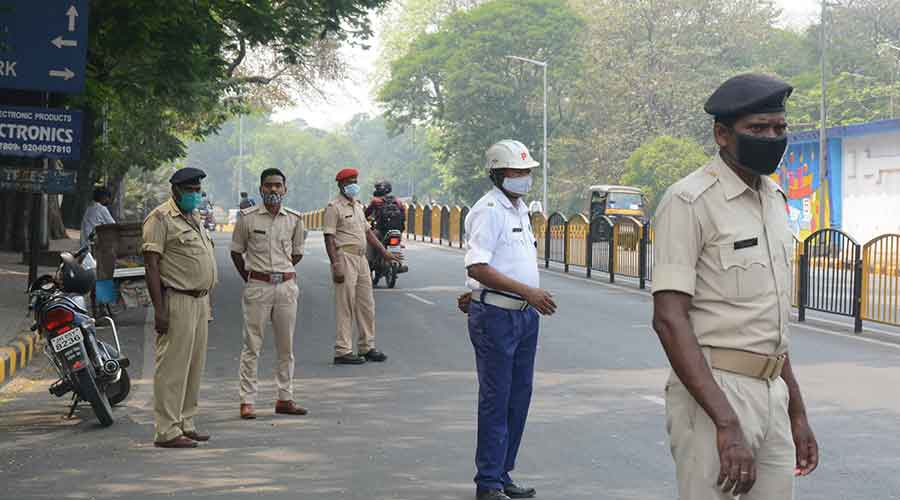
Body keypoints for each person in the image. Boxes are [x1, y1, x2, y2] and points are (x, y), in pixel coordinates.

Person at [652, 73, 818, 499]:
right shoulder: (689, 201)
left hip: (772, 390)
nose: (772, 137)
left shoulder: (775, 200)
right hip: (715, 390)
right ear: (722, 135)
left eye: (779, 128)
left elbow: (770, 318)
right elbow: (669, 319)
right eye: (757, 128)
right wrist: (725, 423)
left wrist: (796, 410)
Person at [462, 140, 557, 500]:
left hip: (522, 316)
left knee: (519, 397)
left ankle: (502, 474)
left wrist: (475, 290)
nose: (524, 178)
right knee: (496, 398)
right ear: (498, 174)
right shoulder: (488, 210)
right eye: (517, 172)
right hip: (498, 316)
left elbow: (500, 262)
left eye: (527, 172)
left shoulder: (519, 210)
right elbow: (477, 264)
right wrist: (525, 292)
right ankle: (487, 482)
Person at [142, 167, 217, 449]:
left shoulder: (193, 217)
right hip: (177, 299)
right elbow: (151, 265)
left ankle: (186, 422)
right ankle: (167, 430)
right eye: (190, 191)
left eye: (198, 190)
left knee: (194, 366)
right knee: (172, 367)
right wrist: (159, 310)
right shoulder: (160, 218)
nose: (195, 195)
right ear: (175, 190)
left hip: (199, 301)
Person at [230, 168, 308, 420]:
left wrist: (281, 273)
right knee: (252, 345)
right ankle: (247, 401)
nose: (273, 189)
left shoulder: (295, 219)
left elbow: (296, 253)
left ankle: (285, 398)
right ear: (260, 188)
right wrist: (253, 278)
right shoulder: (247, 218)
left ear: (285, 189)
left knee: (286, 347)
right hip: (258, 287)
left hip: (286, 288)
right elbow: (236, 252)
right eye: (268, 185)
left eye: (278, 185)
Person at [323, 168, 398, 365]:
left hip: (361, 259)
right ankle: (343, 350)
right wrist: (335, 264)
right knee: (345, 305)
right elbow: (329, 237)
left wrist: (384, 253)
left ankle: (367, 347)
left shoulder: (357, 205)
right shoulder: (334, 207)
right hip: (344, 257)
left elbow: (368, 233)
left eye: (355, 180)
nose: (353, 185)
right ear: (340, 184)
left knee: (366, 305)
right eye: (349, 182)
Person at [364, 180, 406, 265]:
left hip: (381, 230)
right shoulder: (398, 201)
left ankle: (369, 262)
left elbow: (365, 214)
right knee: (397, 241)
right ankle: (398, 263)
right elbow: (403, 216)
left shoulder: (375, 201)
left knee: (370, 238)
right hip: (397, 231)